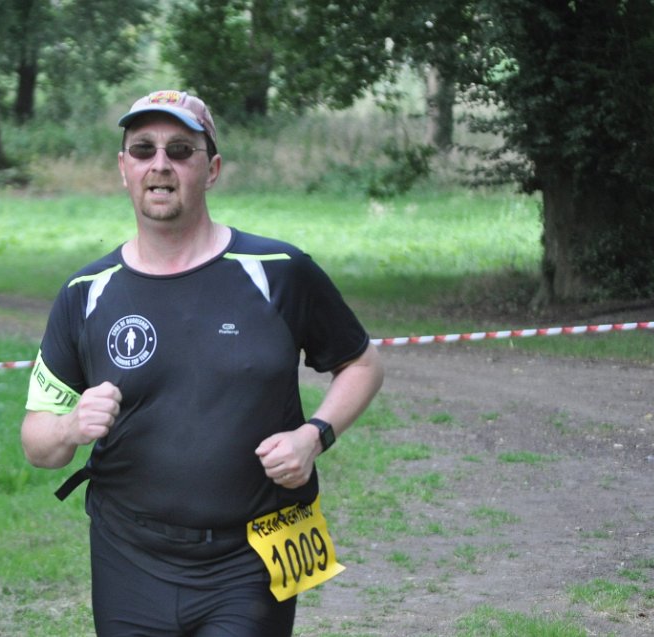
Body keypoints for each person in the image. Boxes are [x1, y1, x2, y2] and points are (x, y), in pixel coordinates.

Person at [21, 89, 384, 637]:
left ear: (211, 169)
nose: (160, 164)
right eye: (143, 150)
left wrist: (314, 436)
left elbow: (362, 365)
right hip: (128, 558)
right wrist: (71, 426)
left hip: (253, 555)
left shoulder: (278, 270)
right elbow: (36, 442)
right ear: (123, 168)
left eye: (180, 150)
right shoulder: (86, 292)